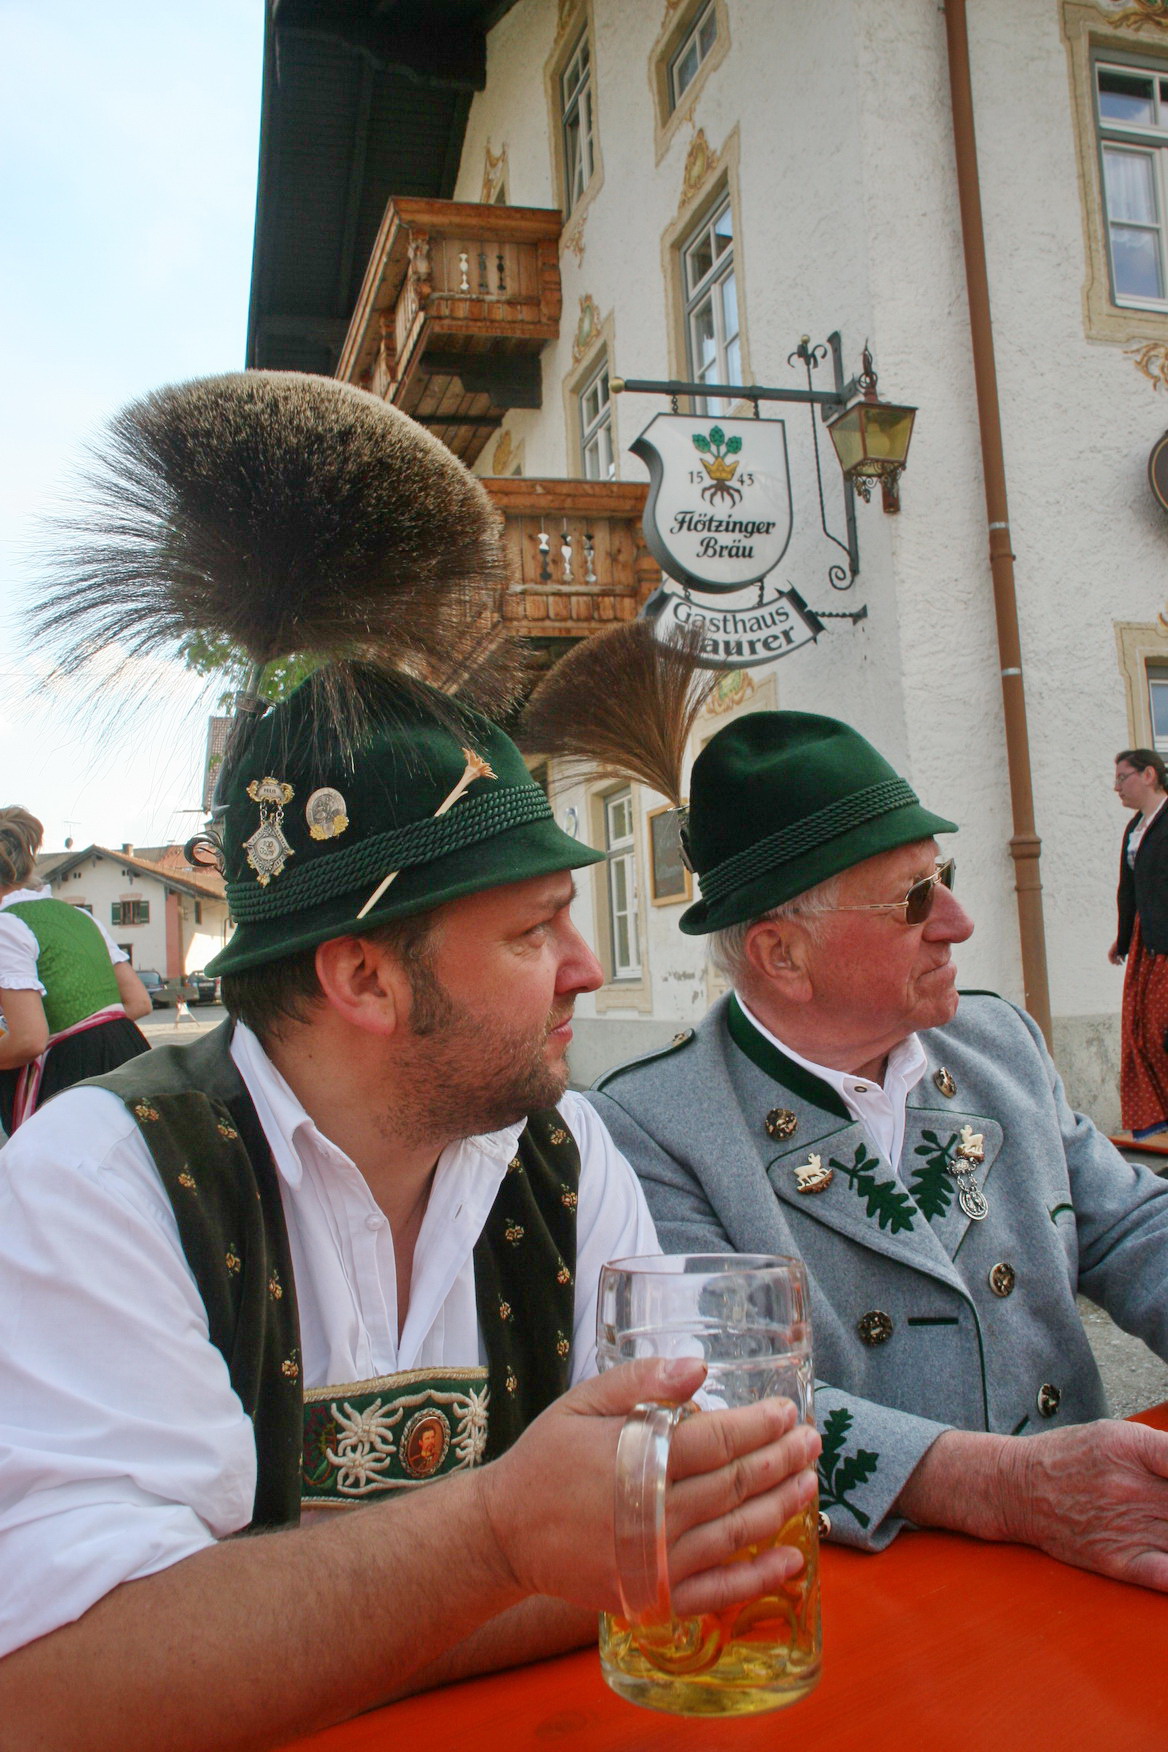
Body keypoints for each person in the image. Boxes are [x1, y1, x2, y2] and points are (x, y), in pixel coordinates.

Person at [0, 374, 822, 1749]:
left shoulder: (564, 1153)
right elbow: (55, 1686)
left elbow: (687, 1536)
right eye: (533, 930)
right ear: (365, 978)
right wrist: (499, 1539)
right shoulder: (103, 1178)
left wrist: (279, 1619)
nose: (587, 969)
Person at [580, 706, 1168, 1590]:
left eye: (945, 878)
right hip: (873, 1596)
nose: (958, 922)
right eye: (915, 898)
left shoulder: (995, 1043)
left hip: (1094, 1554)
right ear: (783, 955)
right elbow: (721, 1407)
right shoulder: (654, 1125)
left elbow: (1130, 1227)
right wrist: (1007, 1487)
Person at [0, 806, 151, 1133]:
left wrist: (70, 1037)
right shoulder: (79, 916)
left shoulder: (6, 926)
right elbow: (139, 1002)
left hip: (74, 1075)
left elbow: (28, 1040)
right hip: (130, 1054)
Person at [1110, 748, 1168, 1138]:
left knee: (1162, 1030)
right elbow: (1128, 890)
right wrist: (1122, 939)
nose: (1117, 787)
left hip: (1165, 943)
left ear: (1149, 775)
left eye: (1122, 777)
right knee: (1141, 1031)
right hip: (1147, 942)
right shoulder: (1136, 827)